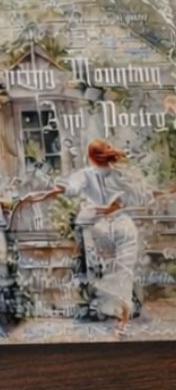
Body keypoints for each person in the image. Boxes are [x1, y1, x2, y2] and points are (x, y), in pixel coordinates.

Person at [21, 140, 152, 330]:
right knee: (124, 270)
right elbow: (137, 196)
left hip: (99, 226)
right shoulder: (120, 174)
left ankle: (109, 308)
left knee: (100, 268)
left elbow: (66, 189)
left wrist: (39, 196)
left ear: (90, 157)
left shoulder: (85, 174)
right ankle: (122, 316)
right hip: (124, 226)